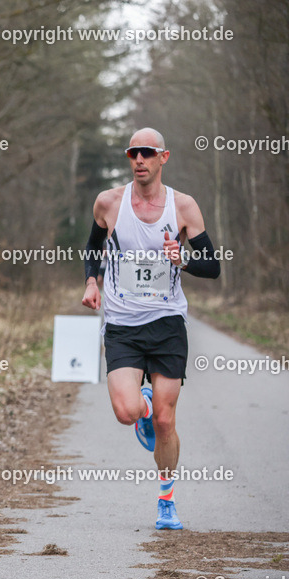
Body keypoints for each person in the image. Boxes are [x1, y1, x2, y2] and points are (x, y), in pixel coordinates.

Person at [81, 128, 221, 530]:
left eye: (147, 152)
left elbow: (212, 266)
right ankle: (140, 405)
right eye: (133, 153)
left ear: (164, 157)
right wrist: (92, 281)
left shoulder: (184, 207)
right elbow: (92, 249)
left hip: (167, 324)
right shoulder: (109, 202)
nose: (139, 159)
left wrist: (183, 261)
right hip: (122, 324)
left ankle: (166, 501)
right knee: (128, 413)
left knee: (165, 420)